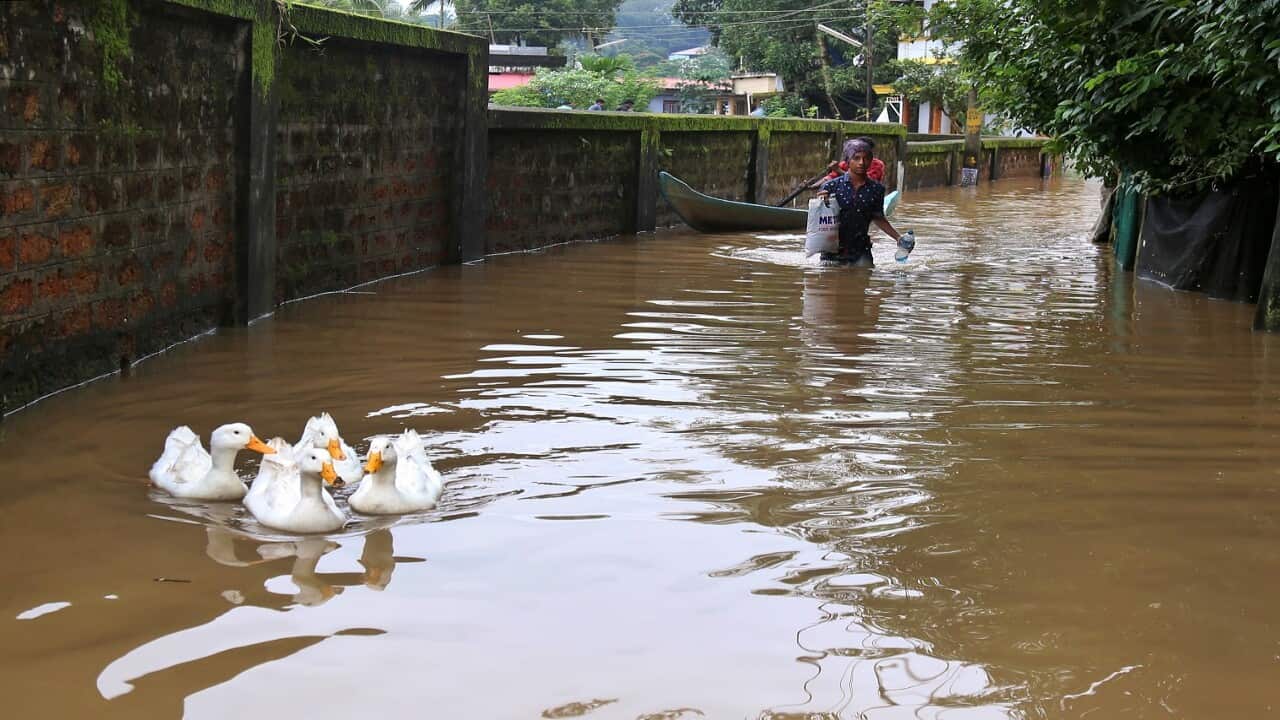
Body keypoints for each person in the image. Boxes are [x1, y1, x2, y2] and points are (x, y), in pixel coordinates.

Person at [816, 138, 906, 267]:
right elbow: (817, 215)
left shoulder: (877, 189)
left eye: (866, 158)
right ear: (847, 161)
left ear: (871, 160)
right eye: (856, 158)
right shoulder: (831, 186)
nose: (862, 163)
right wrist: (820, 199)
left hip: (861, 250)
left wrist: (898, 238)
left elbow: (878, 217)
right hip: (832, 251)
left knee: (862, 282)